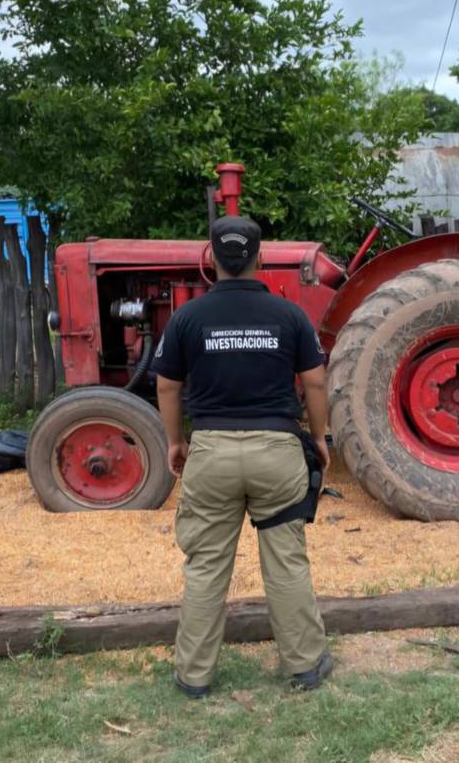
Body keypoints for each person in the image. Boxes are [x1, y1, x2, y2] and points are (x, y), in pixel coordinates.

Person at [152, 214, 333, 698]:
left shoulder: (187, 318)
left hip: (211, 453)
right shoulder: (289, 315)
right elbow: (315, 381)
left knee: (207, 566)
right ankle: (305, 665)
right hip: (277, 452)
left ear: (211, 258)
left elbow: (167, 384)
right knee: (287, 562)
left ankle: (193, 676)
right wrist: (320, 437)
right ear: (260, 257)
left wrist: (175, 441)